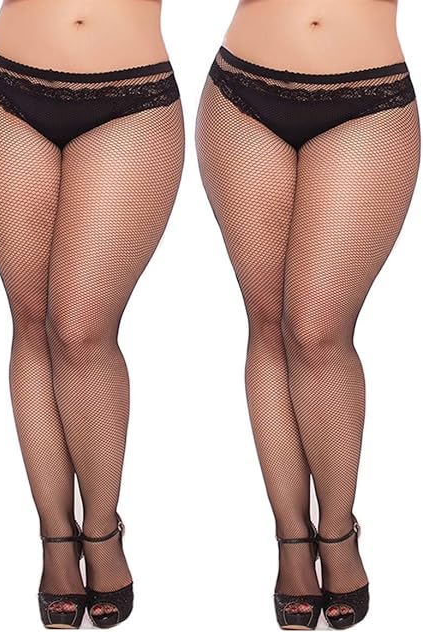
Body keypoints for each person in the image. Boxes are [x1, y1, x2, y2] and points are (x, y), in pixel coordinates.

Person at [0, 0, 184, 628]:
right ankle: (56, 537)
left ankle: (102, 528)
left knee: (82, 331)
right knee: (31, 321)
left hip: (131, 99)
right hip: (6, 90)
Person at [195, 0, 420, 629]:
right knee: (268, 323)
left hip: (367, 99)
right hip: (241, 94)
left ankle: (338, 529)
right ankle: (292, 538)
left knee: (318, 332)